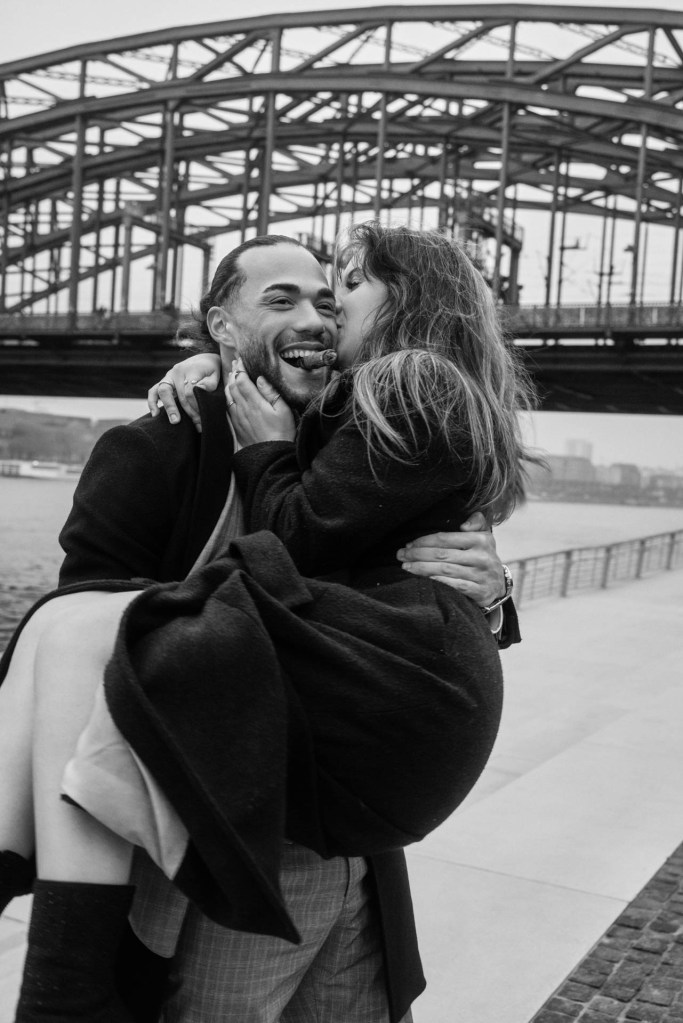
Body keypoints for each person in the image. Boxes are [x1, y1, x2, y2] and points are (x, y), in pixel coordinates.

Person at [0, 226, 525, 1023]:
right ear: (220, 326)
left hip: (344, 822)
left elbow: (399, 572)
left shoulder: (357, 422)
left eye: (327, 297)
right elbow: (88, 642)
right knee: (69, 629)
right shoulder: (152, 451)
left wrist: (492, 592)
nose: (317, 316)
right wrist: (210, 379)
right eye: (279, 300)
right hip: (232, 831)